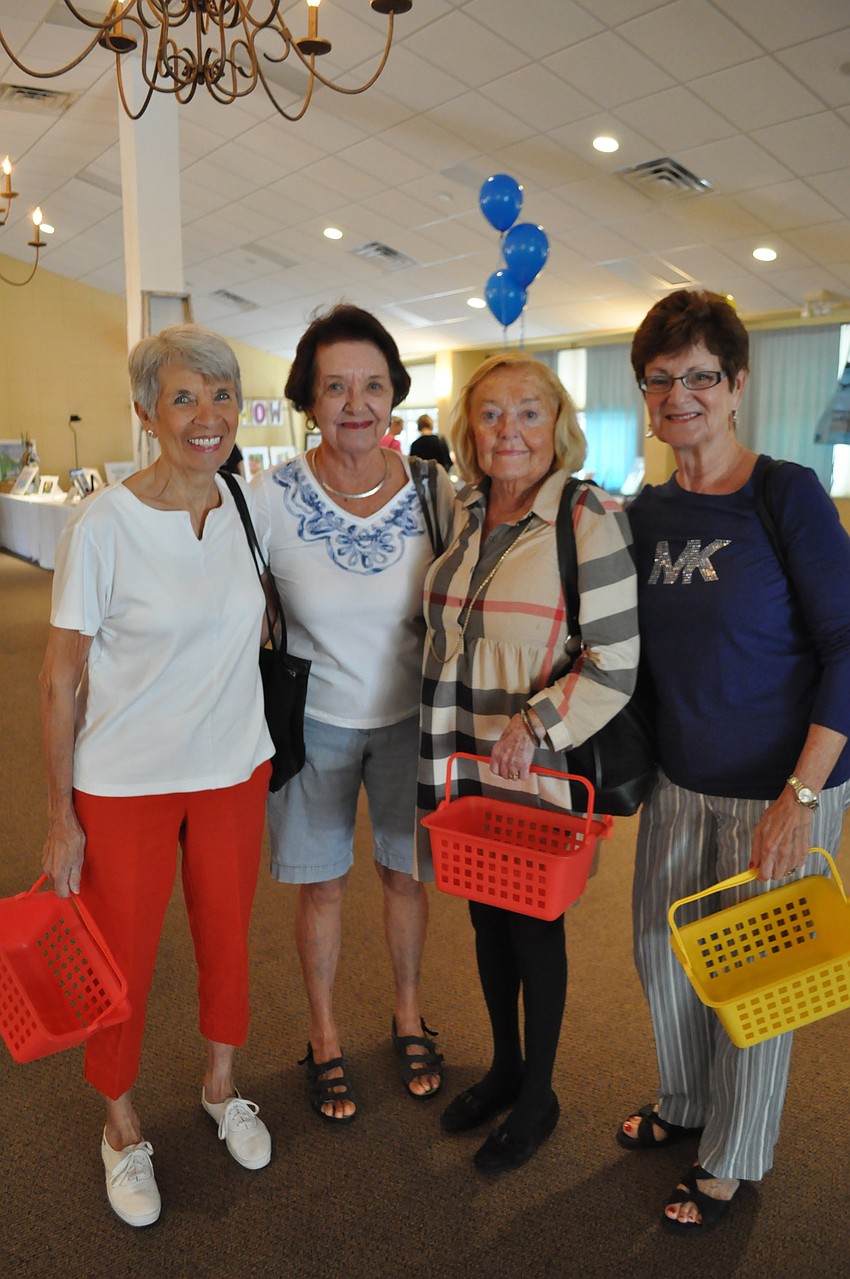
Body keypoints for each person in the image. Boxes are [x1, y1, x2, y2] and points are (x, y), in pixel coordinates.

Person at [621, 289, 850, 1234]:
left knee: (757, 988)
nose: (682, 394)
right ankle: (685, 1101)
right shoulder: (647, 510)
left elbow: (846, 647)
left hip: (781, 788)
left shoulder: (784, 492)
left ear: (737, 384)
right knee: (664, 959)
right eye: (662, 378)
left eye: (701, 376)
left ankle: (732, 1156)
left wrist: (802, 794)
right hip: (680, 784)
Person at [39, 325, 274, 1229]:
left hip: (231, 768)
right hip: (126, 781)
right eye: (184, 398)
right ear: (146, 412)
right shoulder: (102, 523)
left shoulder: (242, 502)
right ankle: (120, 1123)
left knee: (228, 938)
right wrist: (60, 816)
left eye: (222, 397)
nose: (207, 417)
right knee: (121, 962)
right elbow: (58, 677)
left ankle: (222, 1084)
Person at [417, 354, 639, 1174]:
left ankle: (539, 1091)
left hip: (536, 764)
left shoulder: (589, 517)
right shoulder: (468, 512)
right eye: (491, 414)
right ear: (468, 431)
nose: (509, 430)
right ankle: (504, 1066)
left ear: (559, 427)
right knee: (483, 917)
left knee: (534, 924)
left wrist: (535, 721)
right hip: (463, 758)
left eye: (529, 412)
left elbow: (616, 660)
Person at [252, 304, 456, 1122]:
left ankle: (408, 1014)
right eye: (335, 386)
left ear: (394, 396)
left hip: (414, 720)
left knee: (405, 876)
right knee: (323, 887)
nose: (356, 403)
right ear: (308, 398)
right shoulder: (267, 500)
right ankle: (326, 1034)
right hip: (314, 721)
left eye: (372, 384)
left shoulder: (435, 490)